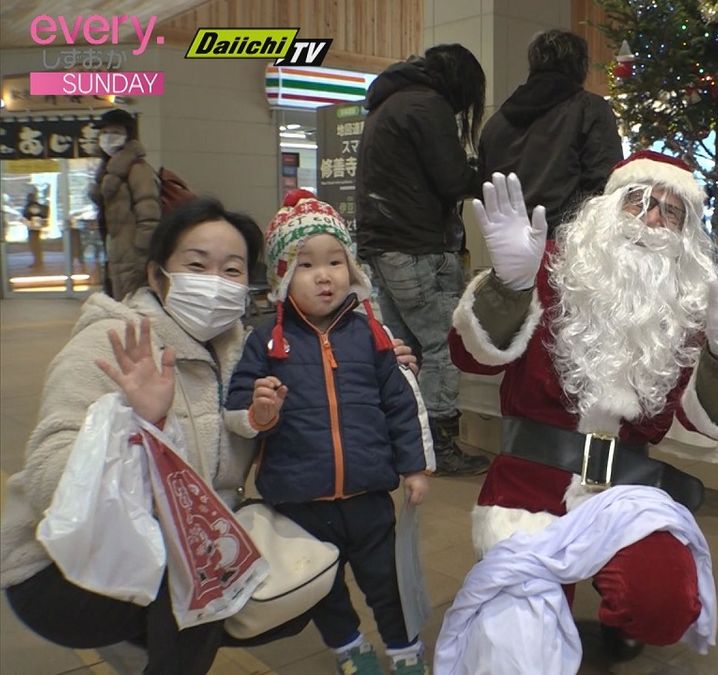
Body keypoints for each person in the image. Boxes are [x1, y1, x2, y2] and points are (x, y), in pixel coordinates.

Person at [449, 151, 718, 657]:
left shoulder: (685, 304)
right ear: (608, 209)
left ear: (684, 234)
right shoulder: (547, 270)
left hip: (626, 488)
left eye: (671, 212)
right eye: (640, 202)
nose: (653, 218)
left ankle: (624, 617)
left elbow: (707, 425)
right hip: (529, 478)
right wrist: (510, 286)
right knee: (515, 649)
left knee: (664, 603)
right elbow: (471, 358)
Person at [1, 197, 262, 675]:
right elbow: (49, 477)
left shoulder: (244, 353)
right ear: (157, 275)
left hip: (168, 554)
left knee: (260, 566)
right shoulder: (111, 344)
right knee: (200, 568)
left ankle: (147, 643)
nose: (214, 283)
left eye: (232, 270)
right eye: (197, 265)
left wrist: (379, 361)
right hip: (58, 567)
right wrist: (145, 431)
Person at [225, 191, 434, 675]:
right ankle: (349, 647)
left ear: (352, 269)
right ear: (282, 277)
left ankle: (404, 652)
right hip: (297, 502)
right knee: (322, 586)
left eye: (336, 262)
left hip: (368, 498)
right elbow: (238, 405)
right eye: (306, 265)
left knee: (388, 582)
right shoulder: (266, 341)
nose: (325, 275)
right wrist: (259, 412)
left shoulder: (372, 335)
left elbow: (400, 405)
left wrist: (415, 467)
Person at [356, 43, 490, 476]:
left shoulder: (390, 102)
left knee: (404, 350)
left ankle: (406, 439)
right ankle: (440, 442)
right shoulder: (427, 105)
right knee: (444, 346)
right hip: (416, 246)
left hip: (384, 246)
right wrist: (487, 173)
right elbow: (451, 178)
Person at [477, 29, 623, 239]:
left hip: (509, 246)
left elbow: (486, 188)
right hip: (568, 245)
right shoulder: (588, 109)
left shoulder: (496, 123)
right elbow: (606, 182)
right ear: (581, 66)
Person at [90, 108, 162, 299]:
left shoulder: (138, 169)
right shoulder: (106, 170)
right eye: (104, 133)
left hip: (133, 253)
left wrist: (141, 249)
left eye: (115, 132)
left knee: (133, 300)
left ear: (128, 135)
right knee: (121, 299)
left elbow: (149, 212)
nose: (108, 137)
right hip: (116, 249)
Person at [21, 188, 47, 269]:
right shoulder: (39, 206)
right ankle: (38, 260)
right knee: (36, 245)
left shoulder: (31, 207)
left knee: (34, 245)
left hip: (33, 228)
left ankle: (38, 261)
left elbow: (26, 215)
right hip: (36, 227)